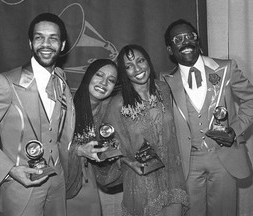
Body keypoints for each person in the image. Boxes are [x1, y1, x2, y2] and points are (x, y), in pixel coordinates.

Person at [0, 13, 75, 216]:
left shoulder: (61, 79)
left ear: (62, 45)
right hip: (21, 186)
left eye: (53, 38)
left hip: (58, 182)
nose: (46, 43)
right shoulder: (6, 83)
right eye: (39, 37)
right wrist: (9, 170)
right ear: (30, 43)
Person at [162, 19, 253, 216]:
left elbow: (251, 99)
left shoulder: (226, 68)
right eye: (178, 39)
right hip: (187, 162)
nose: (186, 42)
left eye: (190, 36)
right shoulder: (165, 82)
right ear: (170, 49)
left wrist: (235, 130)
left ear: (198, 40)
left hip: (224, 156)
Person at [94, 44, 189, 216]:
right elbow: (106, 146)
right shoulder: (118, 104)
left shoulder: (165, 89)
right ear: (124, 72)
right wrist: (129, 162)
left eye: (140, 61)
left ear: (148, 61)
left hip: (172, 177)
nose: (137, 69)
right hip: (142, 182)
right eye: (129, 66)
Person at [66, 58, 123, 216]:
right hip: (61, 181)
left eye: (111, 80)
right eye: (99, 75)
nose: (104, 83)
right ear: (88, 76)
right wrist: (78, 150)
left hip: (88, 181)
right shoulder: (65, 105)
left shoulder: (111, 110)